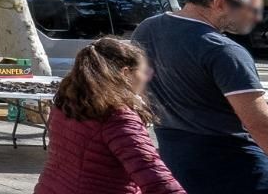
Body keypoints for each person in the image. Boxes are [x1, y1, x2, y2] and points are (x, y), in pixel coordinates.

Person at [132, 0, 268, 193]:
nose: (256, 17)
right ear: (219, 3)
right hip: (237, 168)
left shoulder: (147, 29)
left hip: (176, 160)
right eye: (250, 9)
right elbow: (259, 124)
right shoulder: (223, 50)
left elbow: (141, 91)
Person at [33, 37, 184, 194]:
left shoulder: (67, 103)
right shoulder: (118, 118)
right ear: (125, 73)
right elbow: (155, 177)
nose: (146, 78)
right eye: (144, 71)